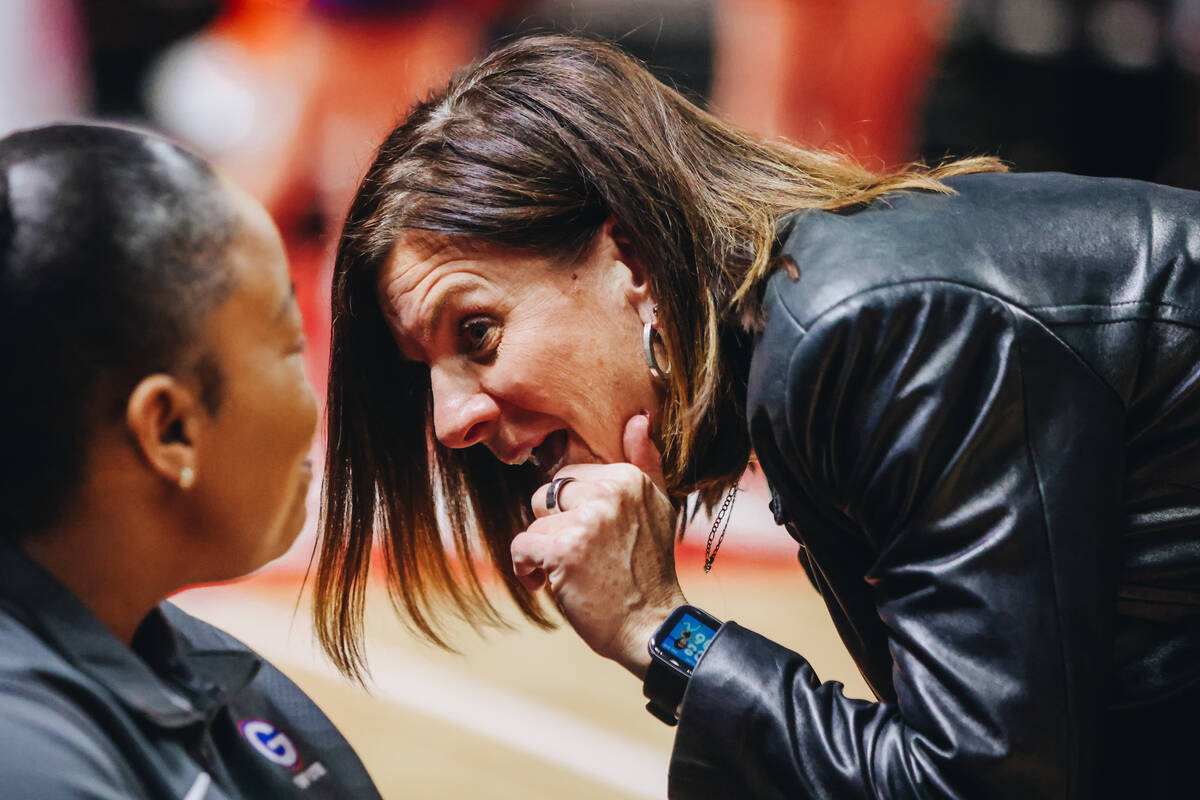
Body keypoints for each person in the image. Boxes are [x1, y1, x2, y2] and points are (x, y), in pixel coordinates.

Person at [316, 34, 1200, 798]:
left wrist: (664, 632)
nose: (448, 423)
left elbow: (975, 785)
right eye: (426, 371)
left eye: (477, 330)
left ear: (627, 254)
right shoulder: (816, 323)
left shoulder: (865, 330)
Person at [0, 123, 381, 800]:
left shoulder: (164, 648)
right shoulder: (29, 761)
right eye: (292, 348)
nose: (315, 400)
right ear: (169, 427)